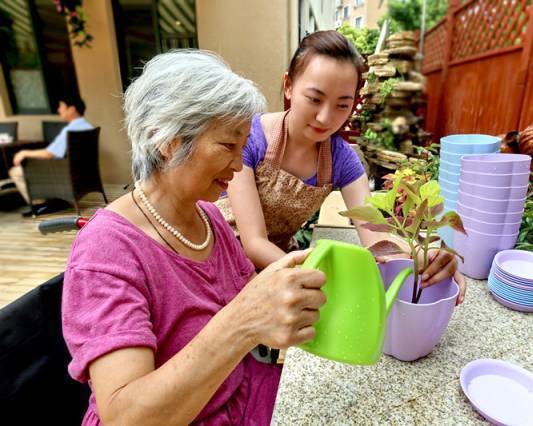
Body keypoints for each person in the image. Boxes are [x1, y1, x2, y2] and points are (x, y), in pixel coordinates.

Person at [61, 50, 326, 425]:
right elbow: (125, 418)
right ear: (167, 139)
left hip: (240, 395)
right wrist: (244, 322)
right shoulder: (106, 251)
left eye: (243, 146)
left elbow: (260, 311)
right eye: (227, 145)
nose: (239, 164)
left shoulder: (210, 218)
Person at [222, 30, 466, 302]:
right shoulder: (250, 139)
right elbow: (253, 243)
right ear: (289, 86)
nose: (325, 118)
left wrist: (424, 257)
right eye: (315, 99)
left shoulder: (341, 160)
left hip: (282, 263)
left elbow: (375, 237)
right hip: (220, 258)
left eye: (342, 105)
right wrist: (318, 276)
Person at [9, 96, 93, 212]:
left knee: (16, 171)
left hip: (62, 173)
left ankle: (41, 204)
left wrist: (24, 153)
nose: (59, 110)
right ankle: (54, 200)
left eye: (61, 107)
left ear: (72, 109)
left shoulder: (70, 130)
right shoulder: (87, 127)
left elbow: (49, 154)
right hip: (79, 172)